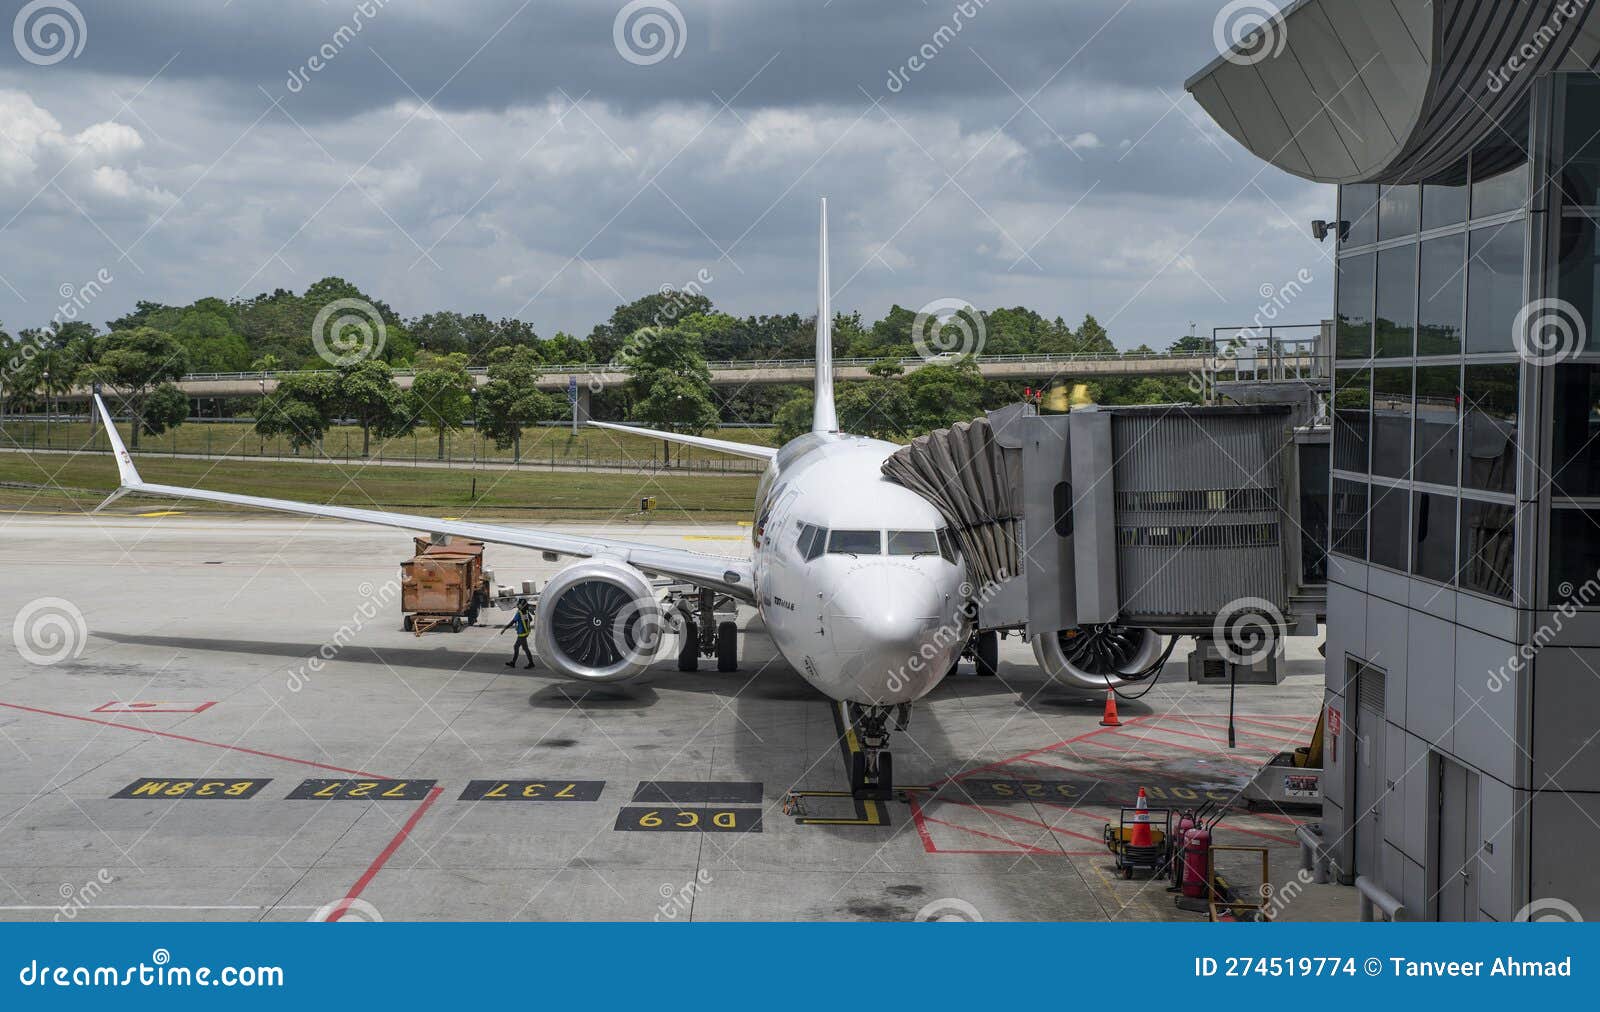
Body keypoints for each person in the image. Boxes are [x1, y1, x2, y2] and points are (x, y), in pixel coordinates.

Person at [500, 600, 535, 668]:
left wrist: (505, 628)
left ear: (522, 605)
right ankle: (514, 662)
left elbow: (512, 622)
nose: (518, 605)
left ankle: (531, 663)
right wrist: (524, 623)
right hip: (526, 632)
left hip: (522, 634)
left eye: (519, 604)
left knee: (524, 648)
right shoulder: (526, 612)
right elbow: (530, 619)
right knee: (518, 647)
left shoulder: (519, 613)